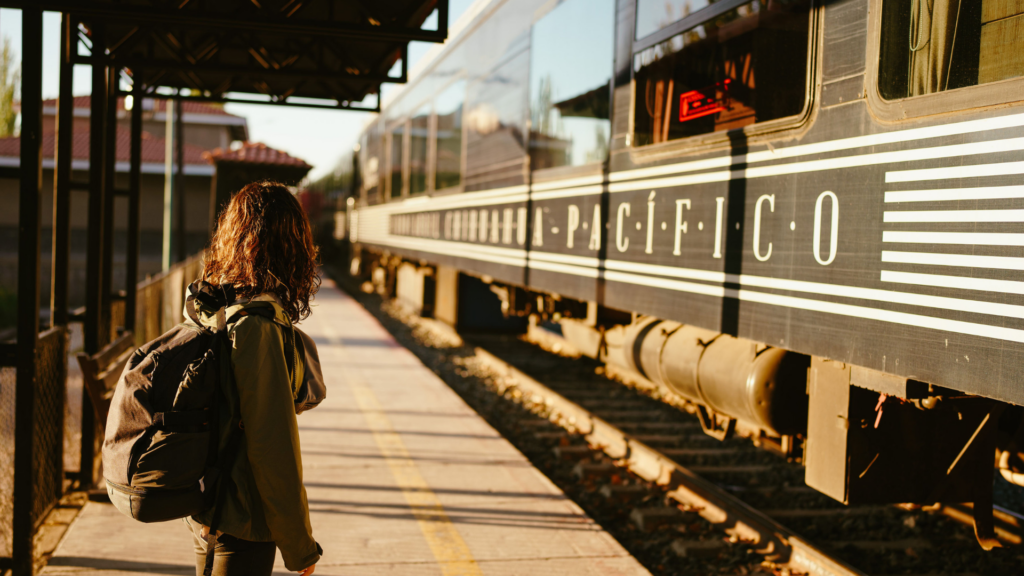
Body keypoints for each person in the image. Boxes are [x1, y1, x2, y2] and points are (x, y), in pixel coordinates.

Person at [185, 180, 322, 576]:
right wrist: (300, 548)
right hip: (239, 517)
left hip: (211, 501)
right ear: (289, 245)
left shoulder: (219, 306)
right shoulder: (256, 327)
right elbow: (272, 446)